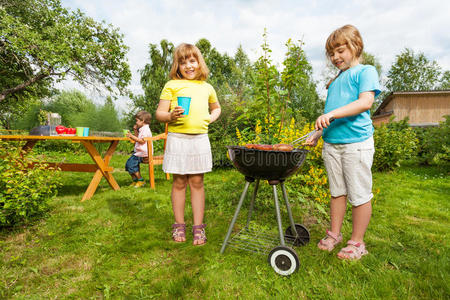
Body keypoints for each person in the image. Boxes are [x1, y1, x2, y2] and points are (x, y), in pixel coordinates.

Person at [304, 25, 381, 260]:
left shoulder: (365, 71)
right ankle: (334, 234)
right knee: (337, 192)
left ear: (355, 46)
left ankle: (357, 242)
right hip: (332, 144)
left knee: (359, 194)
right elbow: (331, 114)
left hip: (355, 143)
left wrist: (332, 114)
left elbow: (365, 103)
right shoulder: (335, 82)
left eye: (340, 51)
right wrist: (318, 133)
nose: (335, 57)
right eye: (332, 54)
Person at [155, 43, 221, 245]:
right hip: (178, 140)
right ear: (178, 66)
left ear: (199, 63)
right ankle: (179, 225)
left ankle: (198, 228)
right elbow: (159, 113)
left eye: (192, 61)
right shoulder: (171, 85)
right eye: (183, 62)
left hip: (199, 139)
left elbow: (217, 108)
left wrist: (210, 118)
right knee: (179, 182)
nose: (188, 66)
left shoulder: (207, 87)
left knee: (197, 183)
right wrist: (170, 115)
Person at [125, 111, 152, 188]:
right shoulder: (142, 129)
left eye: (137, 120)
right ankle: (135, 181)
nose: (136, 122)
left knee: (131, 164)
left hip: (143, 153)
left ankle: (140, 180)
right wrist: (135, 131)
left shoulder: (146, 129)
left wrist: (131, 136)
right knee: (128, 164)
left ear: (142, 120)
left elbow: (142, 140)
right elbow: (138, 138)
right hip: (139, 152)